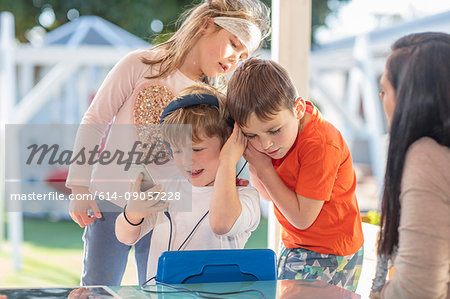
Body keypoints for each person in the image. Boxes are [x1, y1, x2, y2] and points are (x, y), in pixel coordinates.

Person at [66, 0, 270, 286]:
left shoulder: (213, 98)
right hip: (109, 201)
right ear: (206, 24)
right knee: (97, 289)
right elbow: (95, 119)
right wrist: (79, 185)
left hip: (164, 210)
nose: (236, 58)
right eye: (234, 43)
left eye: (243, 54)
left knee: (154, 287)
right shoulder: (140, 64)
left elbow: (226, 147)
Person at [226, 58, 364, 291]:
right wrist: (255, 163)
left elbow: (302, 218)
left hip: (330, 252)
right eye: (252, 136)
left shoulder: (320, 144)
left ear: (298, 109)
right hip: (297, 244)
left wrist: (263, 167)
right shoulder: (278, 140)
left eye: (273, 130)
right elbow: (269, 197)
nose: (266, 144)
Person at [115, 84, 261, 282]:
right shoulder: (167, 190)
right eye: (177, 151)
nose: (187, 161)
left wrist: (228, 160)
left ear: (228, 142)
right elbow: (125, 236)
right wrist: (132, 214)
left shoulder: (244, 196)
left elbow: (223, 223)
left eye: (198, 149)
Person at [370, 32, 450, 299]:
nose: (382, 99)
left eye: (384, 90)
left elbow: (417, 291)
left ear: (410, 98)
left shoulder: (426, 156)